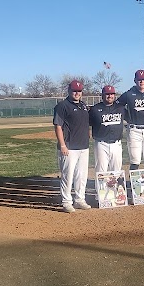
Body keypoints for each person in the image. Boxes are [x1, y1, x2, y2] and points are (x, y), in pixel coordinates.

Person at [53, 80, 91, 212]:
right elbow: (58, 126)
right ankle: (66, 202)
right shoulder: (62, 106)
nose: (77, 93)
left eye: (79, 91)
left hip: (83, 146)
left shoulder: (83, 105)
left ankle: (80, 199)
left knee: (81, 175)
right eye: (74, 90)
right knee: (67, 175)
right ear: (69, 91)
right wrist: (62, 145)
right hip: (69, 147)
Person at [117, 69, 144, 170]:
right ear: (135, 80)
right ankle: (133, 185)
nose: (141, 82)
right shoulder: (129, 94)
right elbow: (118, 106)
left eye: (143, 79)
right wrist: (127, 116)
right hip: (134, 130)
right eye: (139, 79)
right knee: (135, 161)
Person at [89, 85, 124, 174]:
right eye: (107, 94)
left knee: (116, 170)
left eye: (112, 94)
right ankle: (100, 188)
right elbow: (87, 123)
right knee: (101, 171)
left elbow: (131, 118)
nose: (110, 96)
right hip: (101, 144)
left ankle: (115, 188)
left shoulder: (120, 108)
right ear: (102, 95)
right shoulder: (95, 109)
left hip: (116, 144)